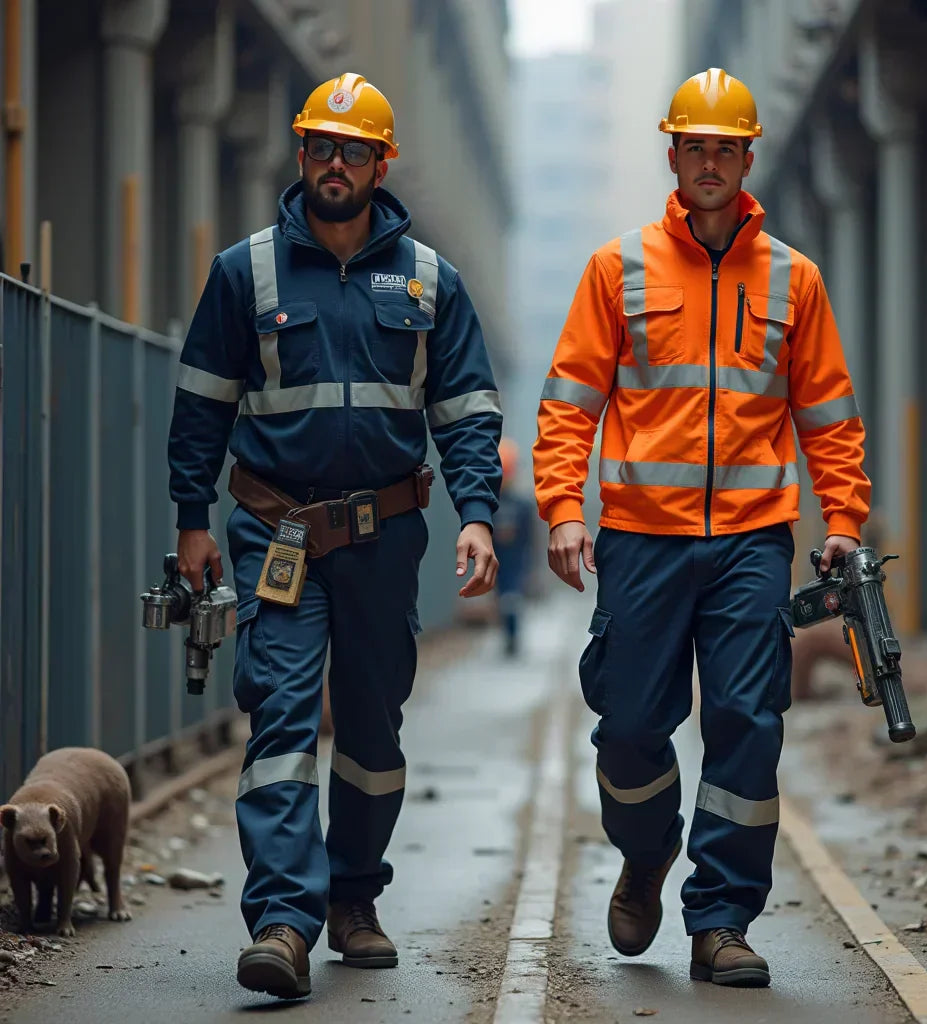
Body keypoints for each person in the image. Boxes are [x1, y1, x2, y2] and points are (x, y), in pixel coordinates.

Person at [167, 72, 502, 999]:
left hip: (384, 537)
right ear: (302, 153)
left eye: (354, 152)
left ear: (382, 165)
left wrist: (478, 513)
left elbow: (468, 412)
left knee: (371, 726)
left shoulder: (431, 280)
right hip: (274, 529)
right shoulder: (246, 272)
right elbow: (201, 406)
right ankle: (283, 919)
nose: (336, 165)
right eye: (322, 147)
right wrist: (191, 518)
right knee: (280, 716)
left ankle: (354, 895)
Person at [532, 68, 870, 987]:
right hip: (642, 538)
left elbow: (829, 417)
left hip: (753, 541)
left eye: (726, 148)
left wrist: (843, 517)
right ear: (673, 155)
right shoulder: (618, 270)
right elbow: (568, 405)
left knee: (747, 722)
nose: (710, 162)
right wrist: (564, 508)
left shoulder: (795, 280)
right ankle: (647, 851)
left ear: (748, 159)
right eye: (695, 147)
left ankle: (721, 919)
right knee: (630, 725)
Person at [491, 439, 535, 657]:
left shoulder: (521, 505)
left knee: (511, 600)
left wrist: (530, 566)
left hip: (515, 560)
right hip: (499, 560)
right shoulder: (492, 504)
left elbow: (529, 537)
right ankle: (509, 636)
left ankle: (512, 637)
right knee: (505, 599)